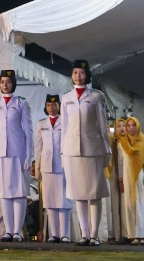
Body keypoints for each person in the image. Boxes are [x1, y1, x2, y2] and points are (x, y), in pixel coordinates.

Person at [60, 59, 109, 245]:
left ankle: (94, 235)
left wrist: (106, 150)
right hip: (72, 150)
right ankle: (84, 234)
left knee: (94, 193)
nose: (78, 76)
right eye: (75, 72)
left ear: (87, 75)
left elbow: (102, 126)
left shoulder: (96, 96)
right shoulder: (66, 98)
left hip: (92, 150)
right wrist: (63, 152)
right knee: (78, 194)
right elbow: (64, 127)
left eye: (81, 72)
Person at [0, 69, 32, 242]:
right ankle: (8, 231)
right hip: (0, 153)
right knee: (4, 192)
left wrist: (29, 154)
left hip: (17, 151)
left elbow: (28, 130)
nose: (5, 85)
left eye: (9, 82)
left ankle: (17, 231)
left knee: (18, 191)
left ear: (14, 84)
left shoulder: (21, 103)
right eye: (2, 82)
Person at [35, 95, 69, 243]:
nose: (52, 108)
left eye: (54, 105)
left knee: (63, 201)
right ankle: (54, 234)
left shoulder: (65, 122)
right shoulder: (41, 124)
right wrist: (37, 167)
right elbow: (38, 147)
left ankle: (64, 234)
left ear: (59, 106)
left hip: (62, 165)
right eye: (49, 105)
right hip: (47, 166)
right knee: (50, 202)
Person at [114, 116, 144, 244]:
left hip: (139, 177)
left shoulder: (142, 142)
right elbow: (120, 163)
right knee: (129, 205)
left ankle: (141, 235)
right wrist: (121, 180)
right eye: (129, 125)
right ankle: (132, 235)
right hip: (127, 177)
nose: (131, 128)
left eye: (134, 125)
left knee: (140, 205)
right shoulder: (122, 143)